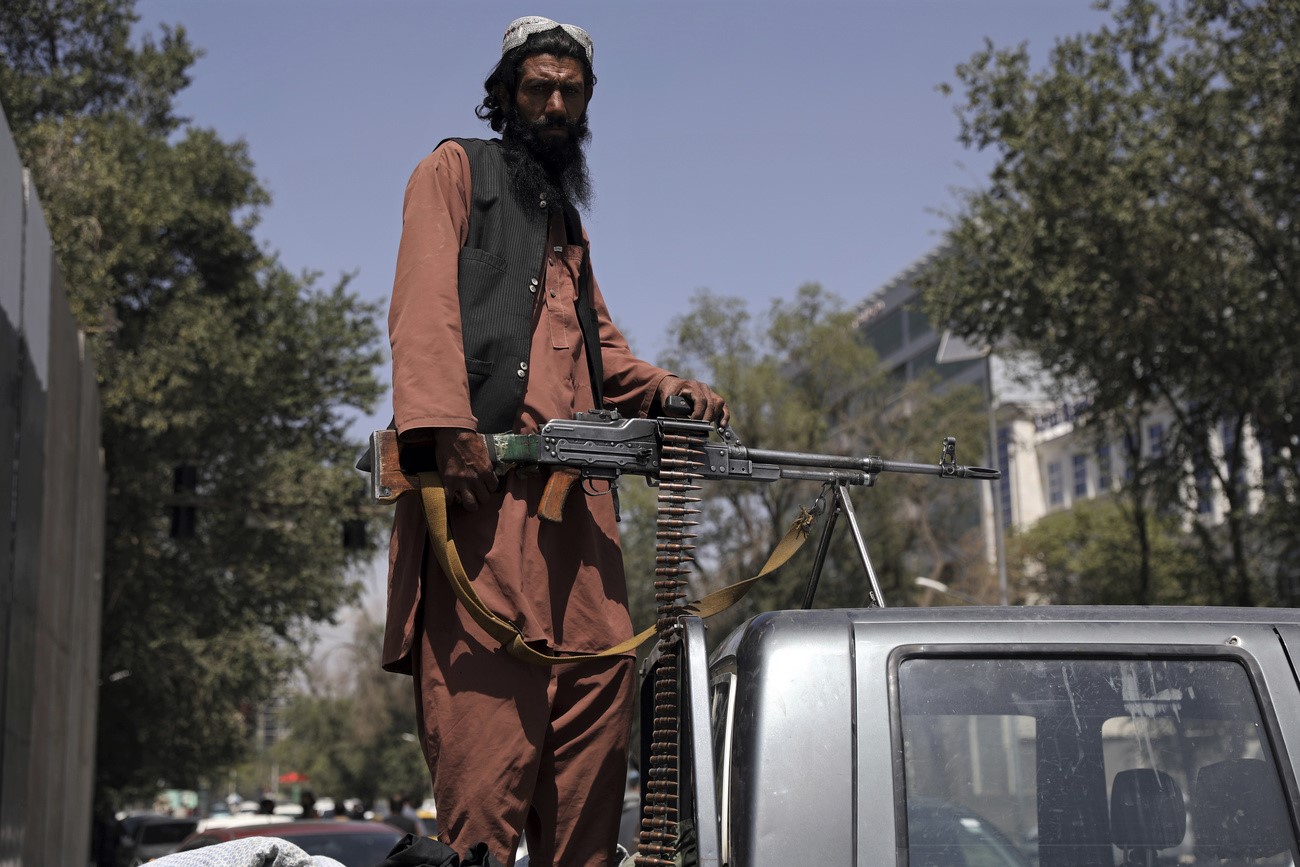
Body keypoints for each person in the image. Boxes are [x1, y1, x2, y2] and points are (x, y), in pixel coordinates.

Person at [382, 15, 728, 867]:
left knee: (596, 716)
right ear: (504, 96)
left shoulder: (566, 222)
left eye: (571, 92)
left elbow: (600, 348)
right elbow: (423, 301)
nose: (556, 103)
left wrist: (669, 391)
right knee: (486, 739)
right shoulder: (455, 170)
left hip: (580, 525)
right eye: (538, 87)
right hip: (482, 507)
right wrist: (445, 424)